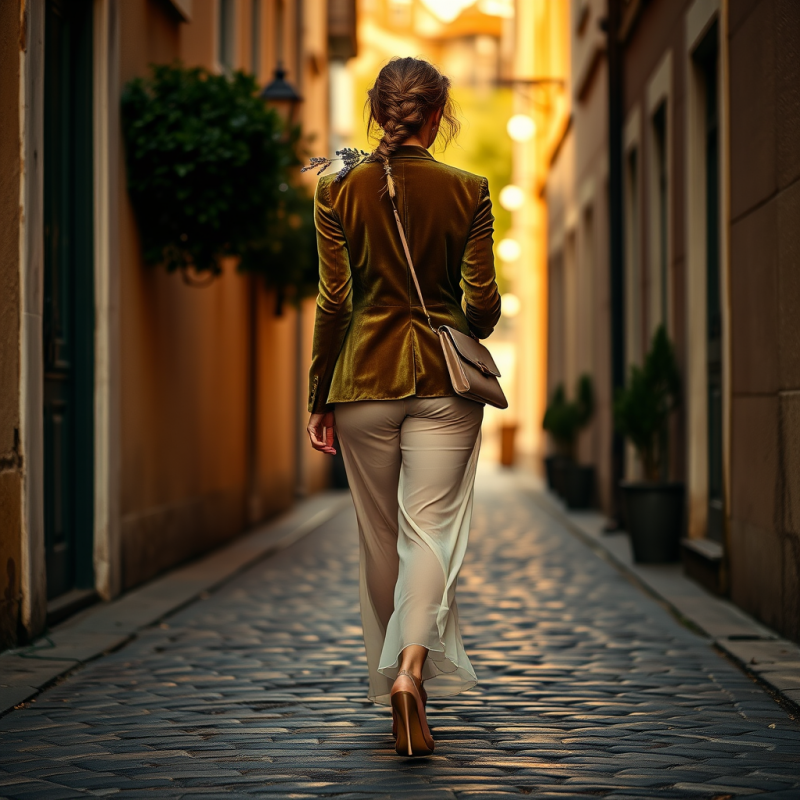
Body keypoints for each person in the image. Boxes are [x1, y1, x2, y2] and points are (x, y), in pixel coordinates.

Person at [305, 56, 501, 757]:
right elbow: (482, 309)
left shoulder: (335, 189)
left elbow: (335, 302)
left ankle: (393, 672)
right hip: (445, 387)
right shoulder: (468, 189)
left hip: (359, 382)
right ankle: (413, 673)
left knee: (380, 539)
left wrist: (318, 393)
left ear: (375, 109)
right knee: (431, 535)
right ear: (439, 114)